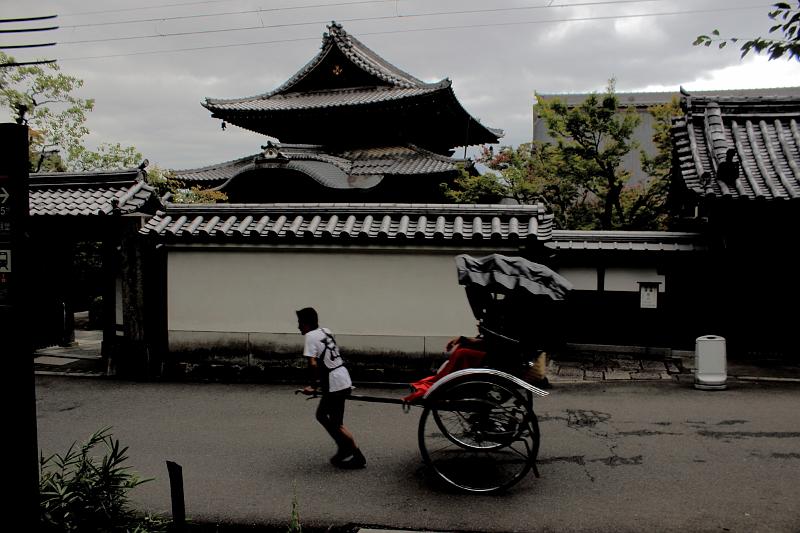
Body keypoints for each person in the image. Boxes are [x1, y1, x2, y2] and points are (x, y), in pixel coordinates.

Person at [297, 307, 366, 469]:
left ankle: (356, 454)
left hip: (335, 383)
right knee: (322, 415)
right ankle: (344, 448)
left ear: (306, 324)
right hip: (341, 376)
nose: (298, 326)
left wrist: (313, 386)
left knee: (336, 423)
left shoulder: (309, 336)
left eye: (300, 323)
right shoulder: (325, 331)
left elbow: (313, 363)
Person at [403, 334, 488, 403]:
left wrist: (465, 339)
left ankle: (445, 384)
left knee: (462, 353)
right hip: (488, 350)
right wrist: (465, 340)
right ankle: (442, 381)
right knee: (462, 347)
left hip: (491, 356)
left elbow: (491, 341)